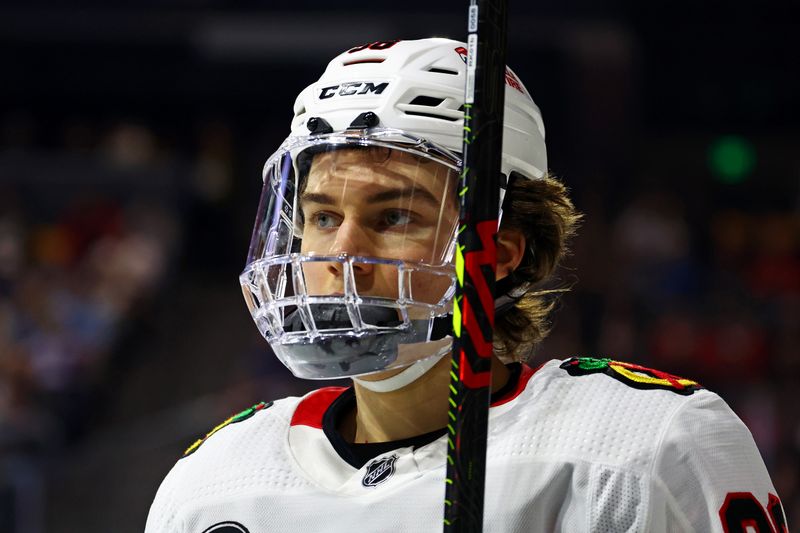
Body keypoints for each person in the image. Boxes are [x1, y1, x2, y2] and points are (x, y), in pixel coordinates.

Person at [145, 38, 786, 532]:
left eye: (395, 216)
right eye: (322, 216)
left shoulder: (644, 450)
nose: (343, 254)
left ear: (501, 252)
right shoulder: (214, 482)